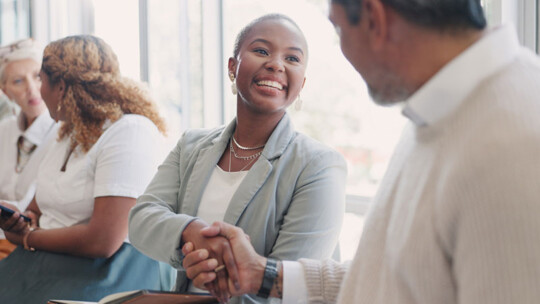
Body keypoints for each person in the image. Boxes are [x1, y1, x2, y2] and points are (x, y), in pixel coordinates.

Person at [182, 0, 540, 303]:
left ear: (374, 19)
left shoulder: (513, 145)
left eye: (339, 31)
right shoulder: (438, 112)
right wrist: (264, 274)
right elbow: (400, 277)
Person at [128, 13, 347, 304]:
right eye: (261, 51)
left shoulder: (319, 166)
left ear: (302, 84)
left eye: (292, 59)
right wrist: (189, 234)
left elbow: (289, 289)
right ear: (233, 67)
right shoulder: (191, 145)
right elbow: (141, 219)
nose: (276, 64)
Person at [0, 35, 174, 303]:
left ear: (61, 87)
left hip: (104, 275)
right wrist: (22, 220)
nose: (38, 90)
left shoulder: (129, 132)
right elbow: (37, 209)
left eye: (41, 79)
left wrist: (28, 237)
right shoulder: (67, 132)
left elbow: (103, 241)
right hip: (49, 266)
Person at [0, 38, 57, 259]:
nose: (32, 90)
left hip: (31, 243)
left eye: (37, 77)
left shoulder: (62, 132)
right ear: (5, 91)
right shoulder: (4, 131)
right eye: (18, 81)